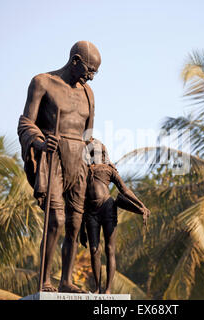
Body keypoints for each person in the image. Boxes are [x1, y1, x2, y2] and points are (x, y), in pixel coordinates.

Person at [17, 41, 100, 293]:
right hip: (53, 156)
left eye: (96, 72)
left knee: (76, 223)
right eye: (89, 70)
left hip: (79, 161)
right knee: (56, 219)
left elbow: (88, 133)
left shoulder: (88, 93)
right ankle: (45, 280)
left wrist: (94, 151)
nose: (91, 77)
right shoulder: (42, 82)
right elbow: (25, 123)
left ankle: (65, 280)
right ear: (75, 60)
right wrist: (40, 143)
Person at [82, 139, 150, 294]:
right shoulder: (84, 171)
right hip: (91, 212)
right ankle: (98, 287)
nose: (95, 151)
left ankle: (108, 289)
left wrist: (141, 205)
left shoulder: (109, 169)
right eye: (92, 150)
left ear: (103, 152)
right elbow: (81, 199)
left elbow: (125, 190)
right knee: (94, 249)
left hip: (107, 209)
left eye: (98, 149)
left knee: (109, 249)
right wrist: (81, 230)